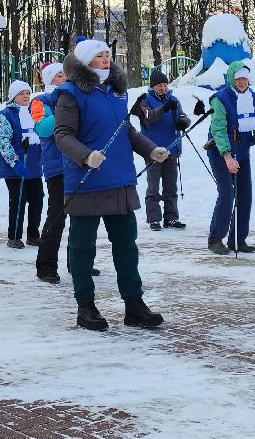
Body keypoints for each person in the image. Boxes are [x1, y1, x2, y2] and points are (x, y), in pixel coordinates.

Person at [53, 38, 168, 331]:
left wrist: (150, 149)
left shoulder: (117, 92)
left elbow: (125, 130)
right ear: (85, 61)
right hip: (87, 181)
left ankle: (134, 305)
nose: (106, 59)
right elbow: (63, 135)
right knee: (83, 249)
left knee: (127, 247)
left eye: (107, 54)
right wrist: (85, 156)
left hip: (120, 179)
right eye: (100, 55)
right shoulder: (69, 93)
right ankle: (86, 307)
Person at [206, 60, 255, 255]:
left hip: (242, 154)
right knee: (227, 194)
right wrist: (227, 157)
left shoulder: (253, 98)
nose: (241, 82)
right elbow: (219, 129)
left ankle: (238, 239)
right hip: (221, 153)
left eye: (244, 79)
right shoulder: (220, 99)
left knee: (245, 197)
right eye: (238, 78)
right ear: (231, 78)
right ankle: (215, 238)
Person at [136, 68, 190, 232]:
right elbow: (149, 117)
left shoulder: (174, 99)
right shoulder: (144, 101)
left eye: (165, 85)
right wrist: (165, 108)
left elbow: (183, 116)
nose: (163, 88)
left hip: (171, 148)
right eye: (159, 85)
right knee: (153, 187)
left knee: (171, 186)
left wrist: (183, 122)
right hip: (153, 150)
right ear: (152, 87)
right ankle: (154, 219)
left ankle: (171, 218)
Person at [29, 61, 68, 284]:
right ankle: (46, 266)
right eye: (59, 75)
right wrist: (64, 111)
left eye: (65, 74)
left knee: (83, 216)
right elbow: (42, 128)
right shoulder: (39, 100)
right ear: (50, 79)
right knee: (56, 217)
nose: (63, 77)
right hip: (56, 166)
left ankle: (80, 261)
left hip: (78, 163)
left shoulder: (74, 96)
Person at [0, 79, 44, 249]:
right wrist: (14, 162)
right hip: (15, 167)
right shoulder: (6, 115)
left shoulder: (34, 112)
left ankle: (33, 234)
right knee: (18, 200)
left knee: (37, 199)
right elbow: (3, 141)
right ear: (13, 97)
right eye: (21, 94)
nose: (25, 96)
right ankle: (14, 236)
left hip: (34, 165)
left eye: (27, 93)